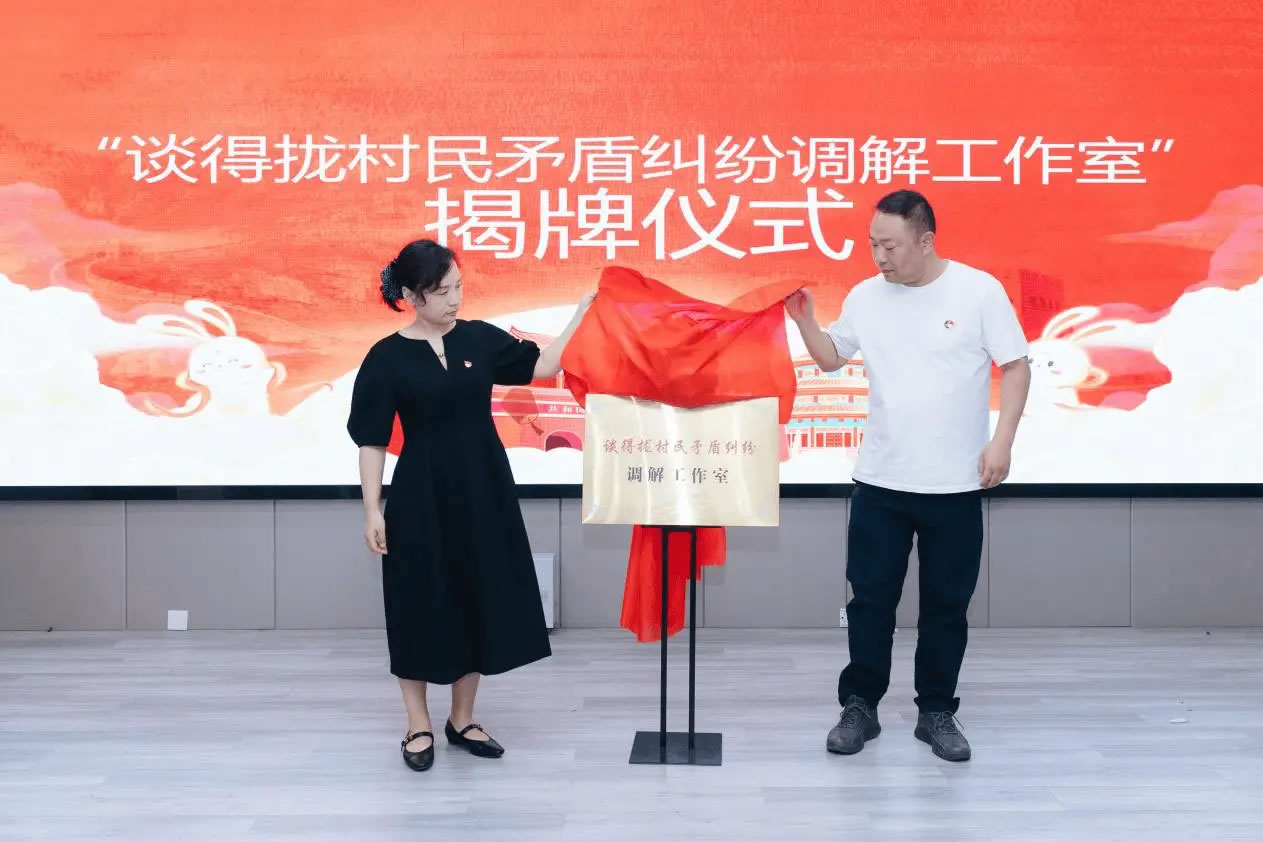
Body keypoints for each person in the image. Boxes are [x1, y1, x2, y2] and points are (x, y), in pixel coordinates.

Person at [787, 190, 1030, 762]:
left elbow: (1016, 366)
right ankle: (860, 706)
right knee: (870, 602)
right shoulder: (866, 296)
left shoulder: (978, 291)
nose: (880, 257)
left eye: (890, 245)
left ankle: (936, 711)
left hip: (955, 484)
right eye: (873, 244)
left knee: (946, 605)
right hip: (881, 481)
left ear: (925, 241)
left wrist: (1002, 441)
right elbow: (831, 358)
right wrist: (806, 322)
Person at [347, 238, 592, 772]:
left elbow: (544, 365)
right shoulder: (386, 357)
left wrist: (581, 313)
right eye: (442, 292)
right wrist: (372, 509)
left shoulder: (479, 338)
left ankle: (462, 719)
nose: (455, 299)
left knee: (475, 597)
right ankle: (417, 724)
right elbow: (371, 439)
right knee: (415, 603)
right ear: (412, 295)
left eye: (458, 287)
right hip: (419, 496)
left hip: (484, 489)